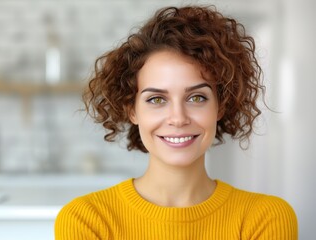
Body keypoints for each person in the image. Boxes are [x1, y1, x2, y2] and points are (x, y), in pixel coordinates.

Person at [55, 5, 298, 239]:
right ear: (132, 109)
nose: (178, 118)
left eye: (196, 97)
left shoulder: (265, 218)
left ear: (220, 105)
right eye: (157, 99)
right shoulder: (86, 220)